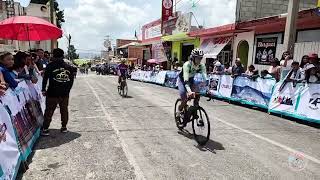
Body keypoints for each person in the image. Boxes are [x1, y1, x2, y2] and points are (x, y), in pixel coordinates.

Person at [41, 48, 77, 136]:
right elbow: (71, 81)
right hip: (64, 94)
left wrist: (43, 89)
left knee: (49, 111)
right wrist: (67, 90)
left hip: (52, 92)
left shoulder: (50, 66)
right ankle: (64, 127)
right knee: (64, 110)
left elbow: (45, 79)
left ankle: (45, 128)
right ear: (63, 55)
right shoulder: (68, 67)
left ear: (53, 55)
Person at [176, 48, 207, 126]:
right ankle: (178, 112)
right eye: (197, 58)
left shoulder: (201, 65)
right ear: (193, 58)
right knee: (185, 98)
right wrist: (189, 92)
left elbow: (205, 78)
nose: (199, 60)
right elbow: (186, 81)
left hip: (191, 80)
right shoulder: (187, 65)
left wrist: (208, 89)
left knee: (197, 94)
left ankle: (194, 111)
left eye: (201, 58)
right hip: (183, 80)